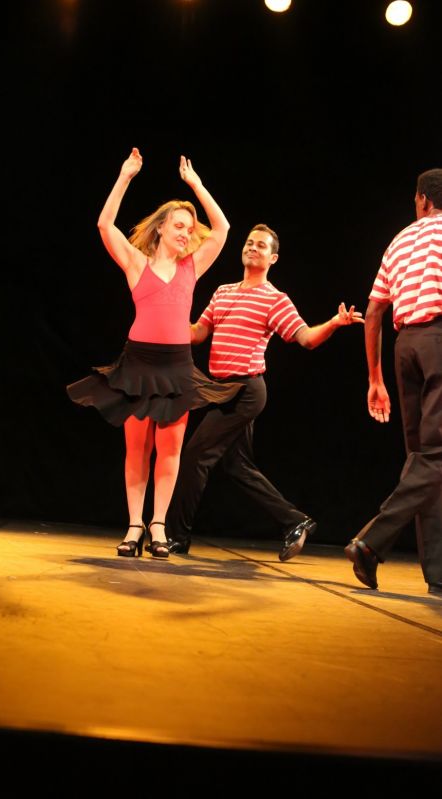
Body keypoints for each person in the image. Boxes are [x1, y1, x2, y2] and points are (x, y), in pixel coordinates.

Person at [67, 148, 242, 558]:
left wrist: (196, 186)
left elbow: (223, 228)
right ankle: (133, 527)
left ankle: (158, 527)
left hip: (176, 367)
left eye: (189, 227)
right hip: (139, 364)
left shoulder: (192, 267)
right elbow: (104, 224)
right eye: (179, 225)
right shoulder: (136, 263)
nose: (186, 232)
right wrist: (125, 175)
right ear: (161, 228)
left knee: (170, 449)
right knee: (136, 448)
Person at [165, 223, 364, 557]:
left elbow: (305, 338)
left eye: (260, 245)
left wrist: (333, 323)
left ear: (273, 257)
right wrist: (167, 315)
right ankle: (295, 521)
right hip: (220, 388)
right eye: (249, 243)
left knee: (196, 456)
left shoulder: (275, 299)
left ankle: (176, 537)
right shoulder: (223, 292)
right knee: (236, 467)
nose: (252, 248)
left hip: (246, 391)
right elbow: (198, 332)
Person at [344, 168, 442, 596]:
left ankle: (438, 572)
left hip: (407, 348)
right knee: (436, 458)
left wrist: (374, 378)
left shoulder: (399, 240)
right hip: (439, 339)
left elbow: (374, 312)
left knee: (424, 459)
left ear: (422, 200)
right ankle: (372, 541)